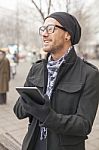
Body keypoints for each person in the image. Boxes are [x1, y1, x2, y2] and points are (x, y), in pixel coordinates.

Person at [13, 12, 99, 150]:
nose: (44, 34)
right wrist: (30, 103)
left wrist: (49, 116)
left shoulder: (89, 74)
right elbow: (18, 111)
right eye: (43, 29)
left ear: (67, 35)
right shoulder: (37, 69)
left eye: (50, 28)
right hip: (32, 144)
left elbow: (84, 125)